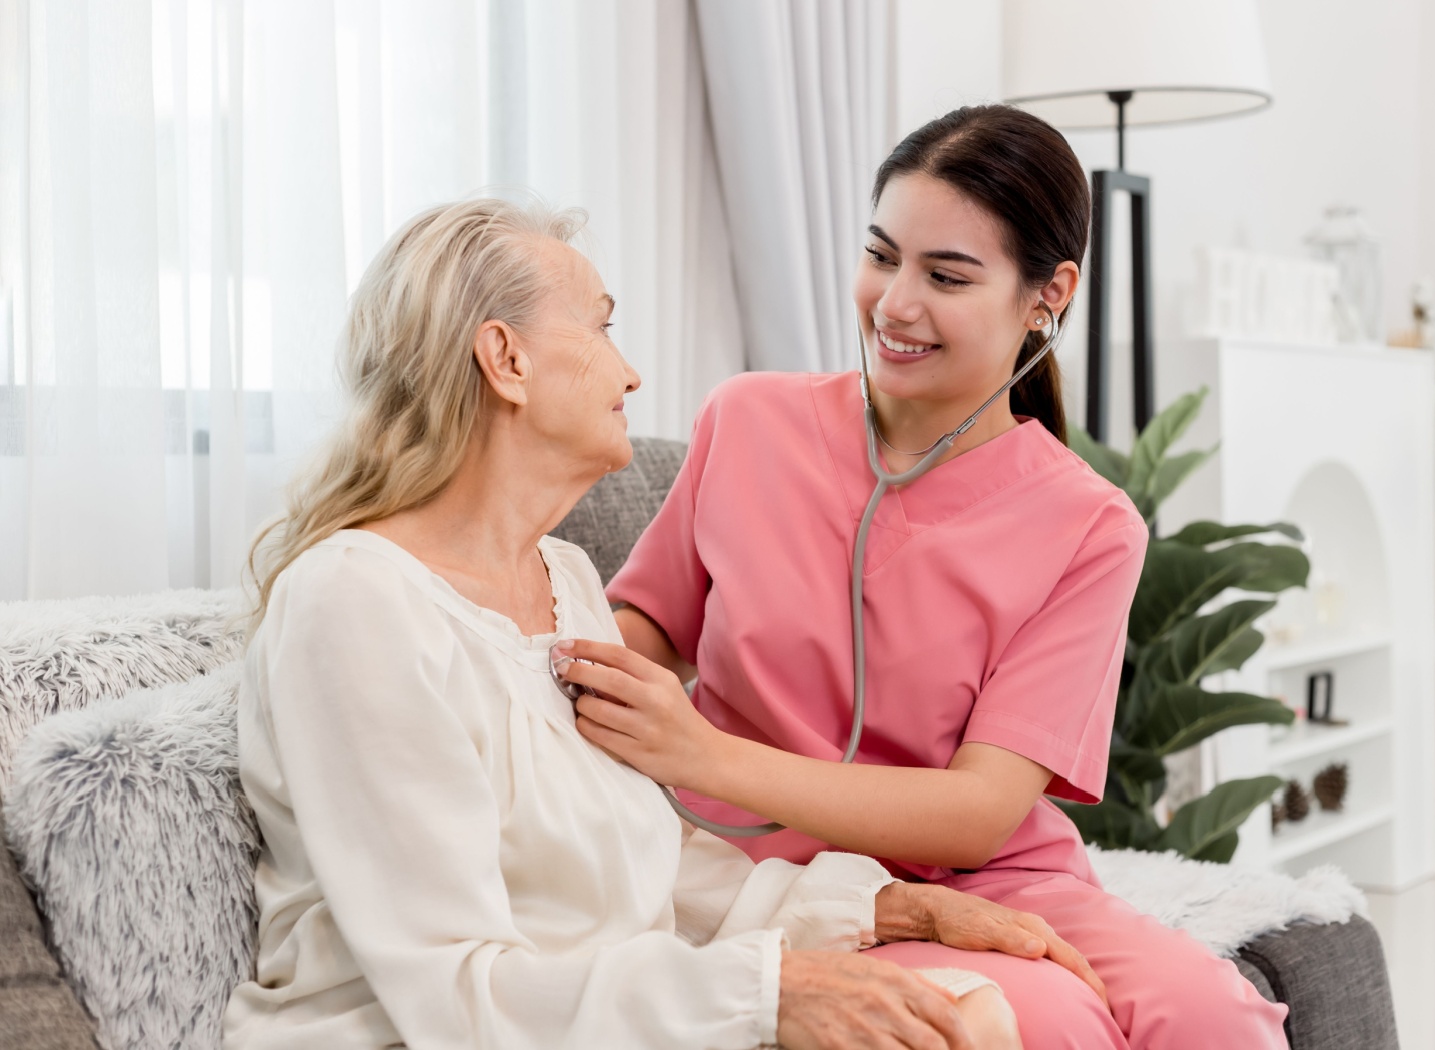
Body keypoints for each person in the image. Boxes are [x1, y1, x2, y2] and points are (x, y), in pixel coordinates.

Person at [222, 195, 1091, 1049]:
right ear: (506, 360)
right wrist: (766, 993)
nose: (630, 372)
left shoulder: (561, 579)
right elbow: (457, 992)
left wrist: (888, 906)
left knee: (965, 1011)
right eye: (601, 329)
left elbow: (653, 864)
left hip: (611, 1016)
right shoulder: (354, 604)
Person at [557, 105, 1292, 1049]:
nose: (895, 303)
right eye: (881, 254)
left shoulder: (1089, 524)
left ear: (1047, 296)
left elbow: (981, 814)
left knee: (1216, 1020)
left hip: (998, 875)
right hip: (784, 873)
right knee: (1047, 1023)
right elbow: (641, 629)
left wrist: (700, 754)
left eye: (946, 276)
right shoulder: (748, 421)